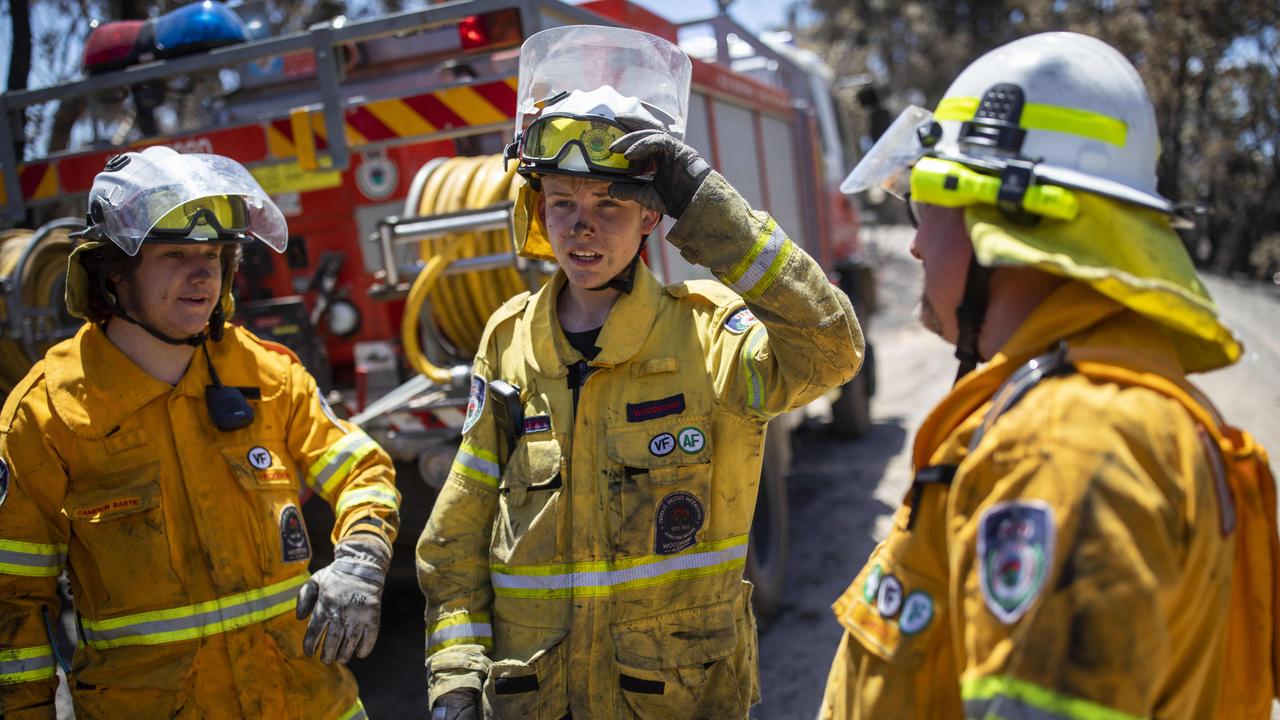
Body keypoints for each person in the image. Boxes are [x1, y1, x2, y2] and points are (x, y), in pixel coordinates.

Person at [821, 32, 1278, 719]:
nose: (913, 241)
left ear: (999, 213)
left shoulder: (1071, 443)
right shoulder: (1067, 412)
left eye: (924, 201)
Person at [417, 25, 864, 719]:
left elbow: (832, 349)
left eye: (609, 204)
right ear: (537, 210)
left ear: (653, 214)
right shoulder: (507, 343)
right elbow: (457, 538)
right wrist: (454, 676)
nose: (582, 228)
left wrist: (709, 203)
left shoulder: (709, 336)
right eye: (562, 203)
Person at [0, 146, 400, 719]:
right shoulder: (47, 416)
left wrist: (362, 557)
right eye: (176, 255)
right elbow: (11, 607)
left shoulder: (266, 374)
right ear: (114, 272)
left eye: (214, 254)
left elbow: (362, 468)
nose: (203, 274)